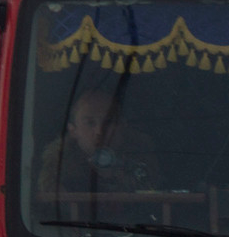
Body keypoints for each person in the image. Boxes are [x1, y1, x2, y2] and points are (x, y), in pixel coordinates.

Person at [36, 82, 158, 211]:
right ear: (73, 130)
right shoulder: (58, 175)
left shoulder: (143, 167)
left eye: (108, 121)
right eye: (90, 122)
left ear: (122, 125)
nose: (100, 131)